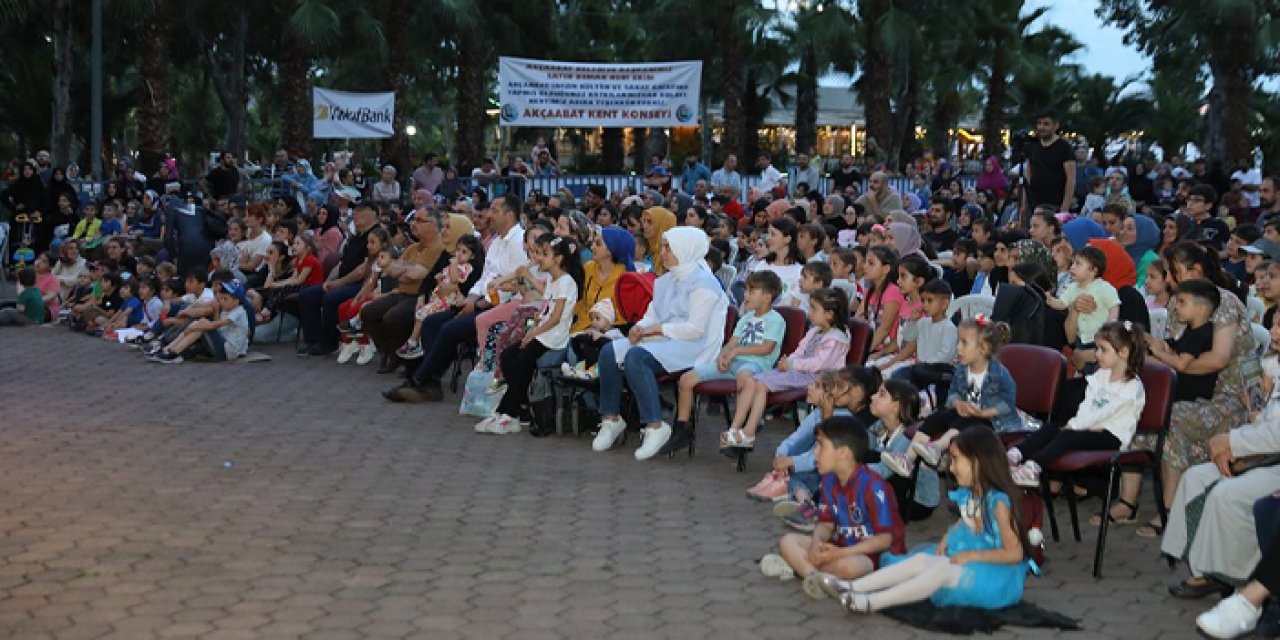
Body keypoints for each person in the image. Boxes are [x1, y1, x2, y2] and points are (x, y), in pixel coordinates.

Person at [814, 427, 1030, 614]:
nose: (951, 468)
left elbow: (1015, 553)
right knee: (922, 561)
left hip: (996, 578)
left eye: (955, 460)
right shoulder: (974, 493)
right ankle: (853, 587)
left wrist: (970, 555)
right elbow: (967, 519)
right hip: (975, 561)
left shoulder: (999, 503)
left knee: (941, 570)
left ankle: (871, 602)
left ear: (978, 461)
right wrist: (948, 537)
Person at [590, 227, 731, 459]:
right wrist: (639, 329)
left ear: (684, 250)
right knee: (609, 351)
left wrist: (654, 330)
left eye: (668, 247)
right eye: (663, 246)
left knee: (637, 357)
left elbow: (695, 329)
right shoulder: (665, 280)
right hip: (665, 339)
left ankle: (655, 426)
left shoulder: (704, 283)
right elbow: (652, 315)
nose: (661, 252)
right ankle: (611, 419)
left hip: (694, 346)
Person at [387, 193, 527, 403]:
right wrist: (470, 299)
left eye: (494, 211)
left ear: (509, 214)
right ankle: (430, 383)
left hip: (502, 308)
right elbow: (485, 279)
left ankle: (419, 380)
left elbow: (514, 286)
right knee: (431, 322)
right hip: (480, 301)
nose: (489, 215)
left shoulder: (519, 243)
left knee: (448, 329)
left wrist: (478, 302)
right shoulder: (497, 242)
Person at [758, 416, 906, 599]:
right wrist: (816, 544)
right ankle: (814, 578)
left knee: (851, 567)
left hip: (874, 556)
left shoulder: (874, 486)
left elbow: (884, 540)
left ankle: (799, 569)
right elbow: (826, 524)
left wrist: (839, 553)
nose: (815, 453)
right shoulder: (829, 479)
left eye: (821, 447)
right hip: (841, 548)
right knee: (788, 541)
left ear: (843, 453)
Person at [1007, 321, 1146, 488]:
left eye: (1103, 349)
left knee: (1067, 435)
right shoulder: (1101, 375)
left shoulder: (1132, 387)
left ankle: (1033, 468)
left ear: (1123, 352)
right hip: (1089, 428)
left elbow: (1105, 413)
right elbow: (1088, 405)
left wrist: (1075, 426)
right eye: (1097, 348)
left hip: (1113, 437)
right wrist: (1077, 423)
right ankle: (1014, 455)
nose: (1097, 354)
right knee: (1052, 428)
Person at [476, 235, 583, 436]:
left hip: (552, 338)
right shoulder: (554, 280)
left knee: (519, 364)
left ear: (558, 258)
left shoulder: (567, 282)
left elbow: (557, 317)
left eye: (544, 254)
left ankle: (509, 413)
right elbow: (547, 306)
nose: (539, 258)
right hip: (542, 333)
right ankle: (514, 409)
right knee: (508, 357)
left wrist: (533, 332)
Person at [720, 288, 851, 450]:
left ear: (829, 314)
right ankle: (738, 427)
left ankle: (748, 432)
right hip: (799, 372)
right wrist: (787, 361)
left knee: (759, 382)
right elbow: (799, 351)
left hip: (816, 378)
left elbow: (819, 363)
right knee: (753, 381)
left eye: (814, 309)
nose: (809, 312)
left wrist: (791, 364)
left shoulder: (837, 338)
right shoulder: (815, 331)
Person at [674, 271, 786, 438]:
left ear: (766, 297)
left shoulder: (776, 320)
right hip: (734, 362)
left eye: (751, 291)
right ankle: (682, 428)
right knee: (686, 378)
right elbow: (732, 343)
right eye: (746, 290)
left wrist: (737, 351)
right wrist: (723, 356)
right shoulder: (746, 318)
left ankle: (739, 428)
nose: (745, 295)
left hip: (757, 364)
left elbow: (766, 348)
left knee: (744, 376)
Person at [900, 318, 1023, 469]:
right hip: (966, 414)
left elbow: (1008, 403)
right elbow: (953, 393)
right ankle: (908, 459)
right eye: (958, 342)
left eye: (964, 343)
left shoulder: (999, 374)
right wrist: (958, 403)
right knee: (937, 416)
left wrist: (985, 413)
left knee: (965, 422)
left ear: (982, 348)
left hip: (992, 422)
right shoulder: (961, 370)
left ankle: (937, 448)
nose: (958, 348)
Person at [756, 367, 880, 507]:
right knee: (796, 476)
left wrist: (827, 417)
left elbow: (832, 450)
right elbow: (800, 440)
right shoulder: (845, 412)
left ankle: (809, 504)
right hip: (832, 470)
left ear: (857, 391)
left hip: (848, 476)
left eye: (839, 386)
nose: (832, 391)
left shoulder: (859, 420)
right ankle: (805, 501)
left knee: (803, 476)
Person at [363, 209, 464, 373]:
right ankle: (392, 352)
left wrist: (402, 269)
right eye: (413, 219)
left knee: (393, 317)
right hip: (401, 292)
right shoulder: (413, 248)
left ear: (432, 224)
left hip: (419, 295)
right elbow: (393, 273)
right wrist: (404, 270)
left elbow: (415, 274)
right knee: (368, 312)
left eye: (419, 220)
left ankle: (405, 357)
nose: (413, 223)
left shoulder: (437, 247)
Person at [297, 204, 376, 356]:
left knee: (331, 298)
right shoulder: (356, 237)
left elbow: (363, 270)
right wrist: (329, 281)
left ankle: (329, 343)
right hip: (343, 280)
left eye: (359, 213)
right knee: (307, 295)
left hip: (361, 284)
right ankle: (313, 340)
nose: (355, 217)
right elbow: (341, 264)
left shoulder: (374, 236)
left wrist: (338, 283)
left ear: (370, 215)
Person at [397, 234, 481, 360]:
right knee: (421, 313)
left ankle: (413, 342)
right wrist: (439, 278)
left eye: (464, 252)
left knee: (422, 313)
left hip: (450, 300)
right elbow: (443, 277)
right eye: (458, 250)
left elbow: (454, 280)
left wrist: (453, 265)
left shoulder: (466, 267)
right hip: (439, 297)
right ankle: (416, 341)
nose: (459, 254)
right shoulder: (452, 265)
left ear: (472, 256)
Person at [865, 380, 939, 521]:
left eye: (881, 394)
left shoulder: (909, 435)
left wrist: (852, 471)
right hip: (899, 488)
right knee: (867, 455)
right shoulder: (880, 425)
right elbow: (864, 449)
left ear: (896, 407)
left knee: (874, 463)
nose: (872, 397)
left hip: (918, 501)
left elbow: (886, 470)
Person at [1149, 280, 1220, 402]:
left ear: (1201, 309)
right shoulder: (1193, 329)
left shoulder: (1200, 334)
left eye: (1182, 303)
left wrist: (1159, 353)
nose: (1176, 307)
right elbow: (1178, 348)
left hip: (1189, 393)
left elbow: (1181, 364)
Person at [147, 280, 250, 364]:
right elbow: (216, 323)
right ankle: (168, 349)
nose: (221, 301)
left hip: (229, 351)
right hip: (223, 345)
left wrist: (192, 327)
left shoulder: (239, 312)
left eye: (225, 299)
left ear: (236, 302)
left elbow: (214, 325)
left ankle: (173, 352)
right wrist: (216, 311)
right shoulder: (227, 309)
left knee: (201, 326)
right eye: (221, 298)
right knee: (201, 323)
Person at [1022, 110, 1076, 215]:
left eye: (1046, 124)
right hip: (1033, 202)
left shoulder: (1064, 147)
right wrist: (1023, 203)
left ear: (1056, 126)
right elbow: (1028, 175)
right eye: (1039, 123)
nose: (1042, 127)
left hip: (1055, 204)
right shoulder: (1032, 146)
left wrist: (1064, 208)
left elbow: (1071, 179)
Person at [857, 246, 903, 356]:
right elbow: (857, 318)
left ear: (886, 269)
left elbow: (884, 329)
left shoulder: (893, 292)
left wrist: (861, 352)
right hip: (870, 346)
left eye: (871, 263)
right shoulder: (869, 291)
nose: (865, 266)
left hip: (885, 351)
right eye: (865, 262)